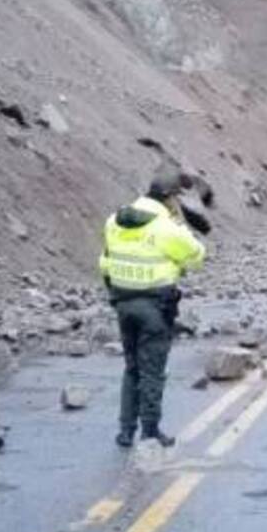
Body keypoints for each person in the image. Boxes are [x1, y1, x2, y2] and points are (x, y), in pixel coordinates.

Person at [99, 168, 207, 448]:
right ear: (170, 198)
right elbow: (196, 256)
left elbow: (105, 263)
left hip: (123, 303)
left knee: (132, 367)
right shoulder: (165, 227)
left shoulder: (114, 220)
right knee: (153, 371)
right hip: (155, 306)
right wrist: (181, 225)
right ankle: (150, 430)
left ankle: (125, 431)